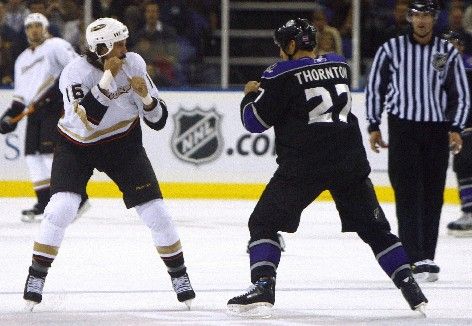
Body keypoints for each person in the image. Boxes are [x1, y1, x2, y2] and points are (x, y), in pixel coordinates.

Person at [227, 18, 428, 316]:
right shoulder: (339, 63)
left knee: (263, 222)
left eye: (284, 46)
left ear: (292, 45)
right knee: (377, 230)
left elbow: (254, 122)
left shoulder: (279, 73)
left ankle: (263, 285)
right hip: (350, 161)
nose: (281, 52)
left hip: (304, 163)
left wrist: (250, 95)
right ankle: (410, 286)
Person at [21, 17, 195, 311]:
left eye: (125, 42)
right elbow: (87, 123)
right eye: (119, 43)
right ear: (100, 47)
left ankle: (180, 277)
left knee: (158, 213)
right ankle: (35, 277)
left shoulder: (135, 62)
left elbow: (159, 120)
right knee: (60, 209)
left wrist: (147, 99)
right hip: (76, 145)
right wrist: (107, 80)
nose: (126, 48)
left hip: (122, 144)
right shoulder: (73, 73)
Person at [365, 0, 470, 282]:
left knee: (433, 195)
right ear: (410, 18)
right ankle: (412, 256)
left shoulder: (446, 51)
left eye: (427, 15)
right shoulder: (391, 49)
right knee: (407, 193)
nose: (422, 20)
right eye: (417, 15)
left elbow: (459, 93)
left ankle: (427, 257)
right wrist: (374, 124)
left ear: (435, 19)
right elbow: (376, 86)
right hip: (403, 129)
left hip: (436, 130)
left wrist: (456, 127)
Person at [0, 12, 89, 222]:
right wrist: (8, 116)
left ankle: (78, 197)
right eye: (30, 26)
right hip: (35, 111)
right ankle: (44, 203)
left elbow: (75, 68)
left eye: (38, 25)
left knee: (51, 154)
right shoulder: (22, 59)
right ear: (25, 31)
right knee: (32, 156)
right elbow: (20, 97)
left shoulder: (56, 45)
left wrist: (54, 94)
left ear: (46, 27)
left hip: (56, 107)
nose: (34, 29)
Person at [441, 31, 472, 237]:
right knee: (462, 163)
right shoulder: (440, 66)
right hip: (459, 125)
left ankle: (469, 213)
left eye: (454, 43)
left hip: (466, 125)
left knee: (464, 162)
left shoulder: (464, 64)